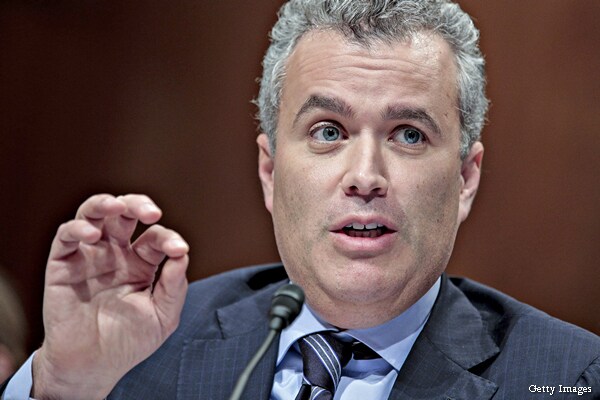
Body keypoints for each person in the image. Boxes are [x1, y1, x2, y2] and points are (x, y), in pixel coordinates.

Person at [3, 0, 599, 399]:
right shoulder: (148, 346)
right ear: (269, 171)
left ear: (465, 179)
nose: (365, 176)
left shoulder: (570, 377)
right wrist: (63, 385)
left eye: (409, 135)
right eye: (328, 131)